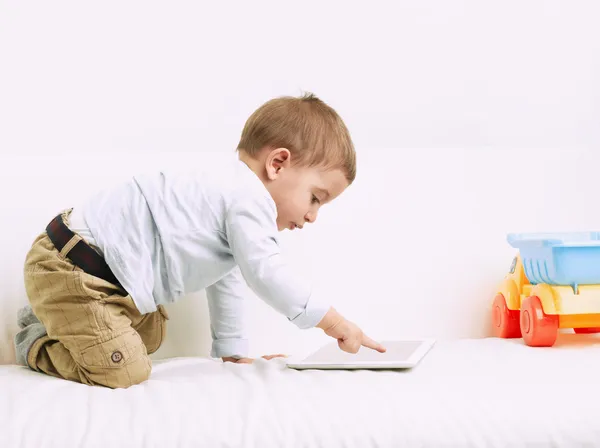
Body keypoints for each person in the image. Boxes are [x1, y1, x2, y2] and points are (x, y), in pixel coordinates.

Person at [14, 93, 386, 388]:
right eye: (315, 198)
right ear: (277, 163)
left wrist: (232, 352)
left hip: (94, 274)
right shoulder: (247, 196)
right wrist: (334, 322)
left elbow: (226, 277)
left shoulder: (227, 198)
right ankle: (34, 341)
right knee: (125, 372)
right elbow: (266, 272)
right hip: (72, 266)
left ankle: (58, 317)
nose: (311, 217)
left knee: (150, 330)